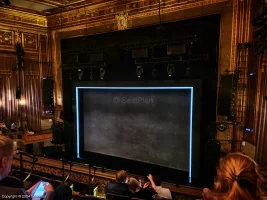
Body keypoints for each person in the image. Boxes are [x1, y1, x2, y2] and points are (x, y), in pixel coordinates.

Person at [0, 135, 55, 200]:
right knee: (63, 189)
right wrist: (50, 194)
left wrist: (26, 193)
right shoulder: (17, 193)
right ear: (4, 162)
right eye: (12, 158)